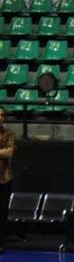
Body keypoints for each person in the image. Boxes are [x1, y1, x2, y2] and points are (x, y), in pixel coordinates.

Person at [0, 106, 16, 253]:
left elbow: (10, 151)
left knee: (2, 211)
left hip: (4, 178)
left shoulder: (9, 134)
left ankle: (0, 242)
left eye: (2, 115)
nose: (0, 117)